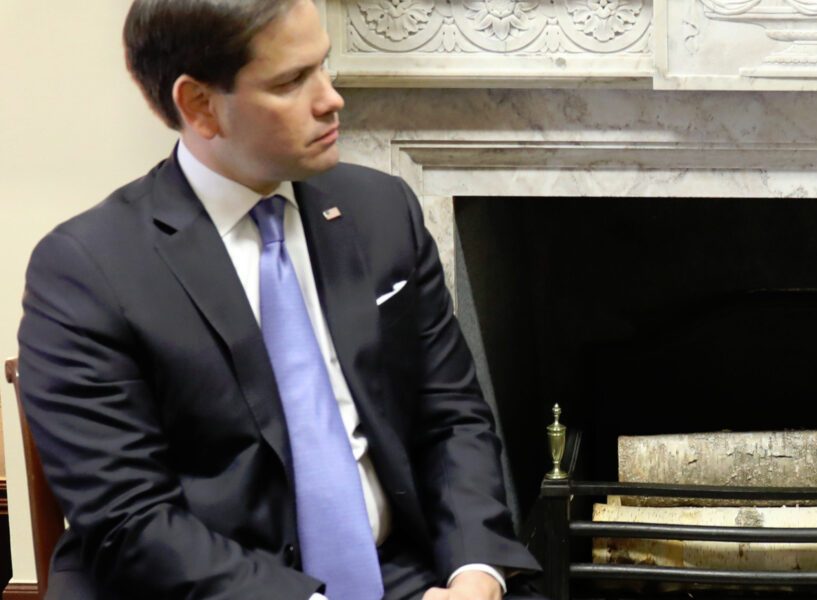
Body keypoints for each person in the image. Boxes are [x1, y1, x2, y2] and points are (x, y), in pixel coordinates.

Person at [15, 0, 542, 598]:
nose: (331, 98)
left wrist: (475, 574)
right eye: (292, 81)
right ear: (199, 106)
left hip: (402, 574)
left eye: (323, 66)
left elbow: (452, 418)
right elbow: (131, 521)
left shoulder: (381, 211)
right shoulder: (86, 270)